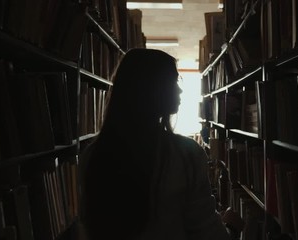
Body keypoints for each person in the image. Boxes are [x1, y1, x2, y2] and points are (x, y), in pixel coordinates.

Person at [79, 48, 231, 240]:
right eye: (174, 81)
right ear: (152, 89)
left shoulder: (94, 155)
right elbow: (206, 229)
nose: (180, 89)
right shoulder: (186, 155)